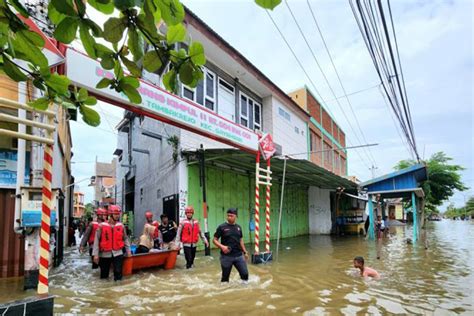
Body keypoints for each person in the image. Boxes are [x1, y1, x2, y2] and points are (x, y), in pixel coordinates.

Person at [93, 205, 131, 281]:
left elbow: (125, 239)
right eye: (115, 214)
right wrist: (95, 254)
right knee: (104, 275)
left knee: (118, 273)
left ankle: (117, 290)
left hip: (118, 253)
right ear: (110, 215)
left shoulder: (121, 226)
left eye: (118, 214)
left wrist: (128, 251)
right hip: (105, 254)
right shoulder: (101, 226)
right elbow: (96, 240)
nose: (117, 216)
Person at [213, 208, 249, 283]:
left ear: (236, 216)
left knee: (245, 275)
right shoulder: (222, 227)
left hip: (239, 256)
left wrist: (245, 252)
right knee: (225, 278)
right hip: (226, 257)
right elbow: (214, 240)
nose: (229, 217)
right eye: (228, 215)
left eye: (231, 216)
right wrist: (222, 247)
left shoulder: (238, 227)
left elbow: (241, 240)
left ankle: (244, 290)